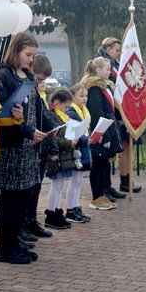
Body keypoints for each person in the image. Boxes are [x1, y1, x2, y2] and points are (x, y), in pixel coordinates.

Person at [0, 32, 50, 262]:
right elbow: (3, 114)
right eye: (28, 54)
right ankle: (5, 247)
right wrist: (26, 130)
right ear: (15, 51)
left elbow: (37, 110)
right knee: (10, 197)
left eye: (33, 55)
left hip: (29, 146)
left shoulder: (27, 76)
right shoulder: (3, 76)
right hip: (12, 146)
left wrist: (50, 129)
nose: (30, 60)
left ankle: (15, 240)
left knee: (24, 196)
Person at [98, 37, 141, 194]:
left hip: (125, 110)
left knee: (128, 145)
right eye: (117, 50)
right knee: (122, 145)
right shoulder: (104, 64)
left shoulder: (118, 64)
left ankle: (128, 178)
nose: (119, 53)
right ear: (108, 49)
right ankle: (122, 180)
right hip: (116, 112)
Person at [27, 54, 60, 235]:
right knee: (30, 188)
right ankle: (26, 223)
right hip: (34, 144)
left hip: (43, 145)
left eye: (44, 80)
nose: (42, 83)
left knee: (37, 186)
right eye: (40, 79)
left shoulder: (39, 95)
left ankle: (32, 221)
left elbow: (44, 117)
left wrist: (53, 128)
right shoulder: (30, 91)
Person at [84, 57, 122, 210]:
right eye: (106, 69)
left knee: (104, 166)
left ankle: (101, 196)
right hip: (99, 135)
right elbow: (96, 113)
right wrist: (103, 135)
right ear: (98, 70)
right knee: (98, 166)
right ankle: (96, 197)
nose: (109, 72)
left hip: (107, 131)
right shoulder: (94, 88)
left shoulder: (105, 86)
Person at [44, 87, 82, 229]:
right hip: (56, 155)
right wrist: (68, 142)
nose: (67, 109)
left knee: (59, 185)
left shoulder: (63, 116)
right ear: (57, 102)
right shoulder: (52, 116)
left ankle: (56, 211)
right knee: (56, 185)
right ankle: (51, 213)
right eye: (66, 106)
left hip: (63, 155)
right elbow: (54, 137)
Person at [65, 83, 94, 221]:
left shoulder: (83, 111)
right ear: (72, 97)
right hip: (77, 150)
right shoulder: (72, 112)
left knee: (78, 181)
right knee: (74, 181)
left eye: (86, 96)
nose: (85, 99)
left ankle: (75, 207)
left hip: (83, 149)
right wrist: (85, 139)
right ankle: (70, 209)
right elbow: (73, 131)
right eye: (81, 96)